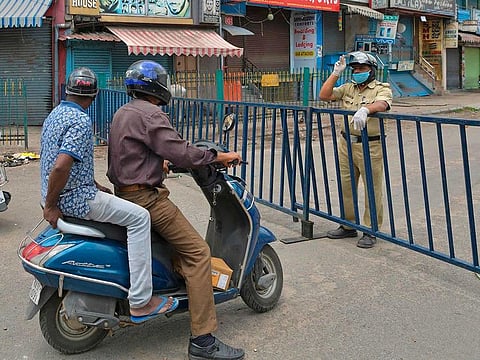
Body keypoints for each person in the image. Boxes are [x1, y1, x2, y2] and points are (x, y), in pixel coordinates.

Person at [107, 60, 244, 360]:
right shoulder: (152, 113)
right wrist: (217, 156)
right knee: (198, 253)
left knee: (177, 248)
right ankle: (203, 341)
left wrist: (159, 163)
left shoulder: (123, 112)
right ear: (156, 85)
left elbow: (132, 152)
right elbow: (181, 150)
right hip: (147, 199)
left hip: (125, 194)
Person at [40, 67, 178, 324]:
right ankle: (141, 301)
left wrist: (92, 184)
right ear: (94, 96)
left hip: (65, 192)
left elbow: (63, 162)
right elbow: (61, 165)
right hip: (75, 199)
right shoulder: (81, 121)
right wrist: (51, 206)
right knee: (140, 218)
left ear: (68, 91)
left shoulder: (56, 114)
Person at [319, 51, 393, 249]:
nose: (357, 71)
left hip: (370, 144)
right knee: (346, 185)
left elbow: (384, 103)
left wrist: (367, 109)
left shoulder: (380, 87)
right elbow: (324, 95)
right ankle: (348, 224)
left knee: (372, 187)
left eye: (361, 68)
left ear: (371, 70)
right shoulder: (347, 88)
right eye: (355, 69)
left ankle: (371, 229)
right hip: (347, 143)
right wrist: (335, 73)